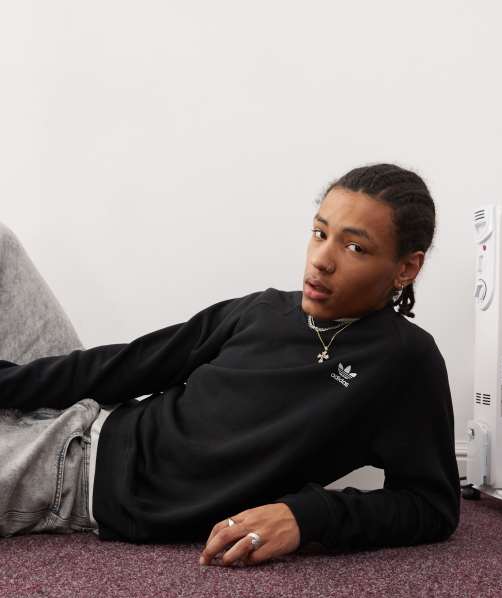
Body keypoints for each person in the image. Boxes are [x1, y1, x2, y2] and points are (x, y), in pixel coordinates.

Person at [0, 162, 461, 568]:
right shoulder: (264, 309)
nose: (321, 261)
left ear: (406, 268)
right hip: (93, 413)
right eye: (320, 234)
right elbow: (133, 363)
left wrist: (306, 515)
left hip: (75, 477)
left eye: (355, 247)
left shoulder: (405, 362)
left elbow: (431, 505)